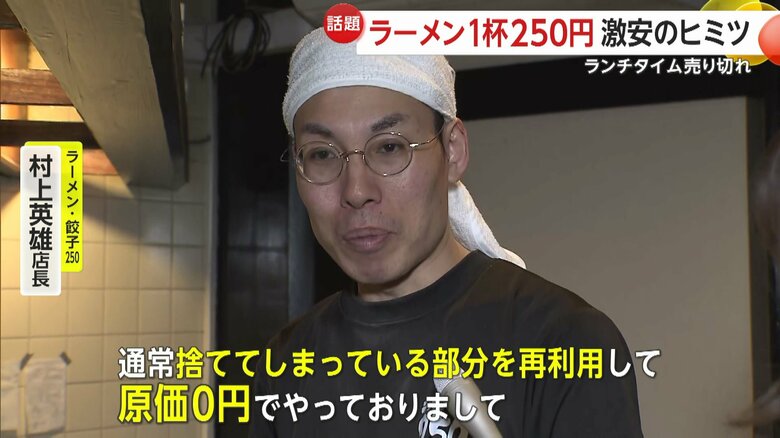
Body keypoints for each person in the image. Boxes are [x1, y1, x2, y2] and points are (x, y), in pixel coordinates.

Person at [250, 27, 644, 437]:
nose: (356, 191)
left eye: (389, 147)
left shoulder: (563, 341)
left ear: (452, 150)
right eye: (321, 154)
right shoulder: (286, 364)